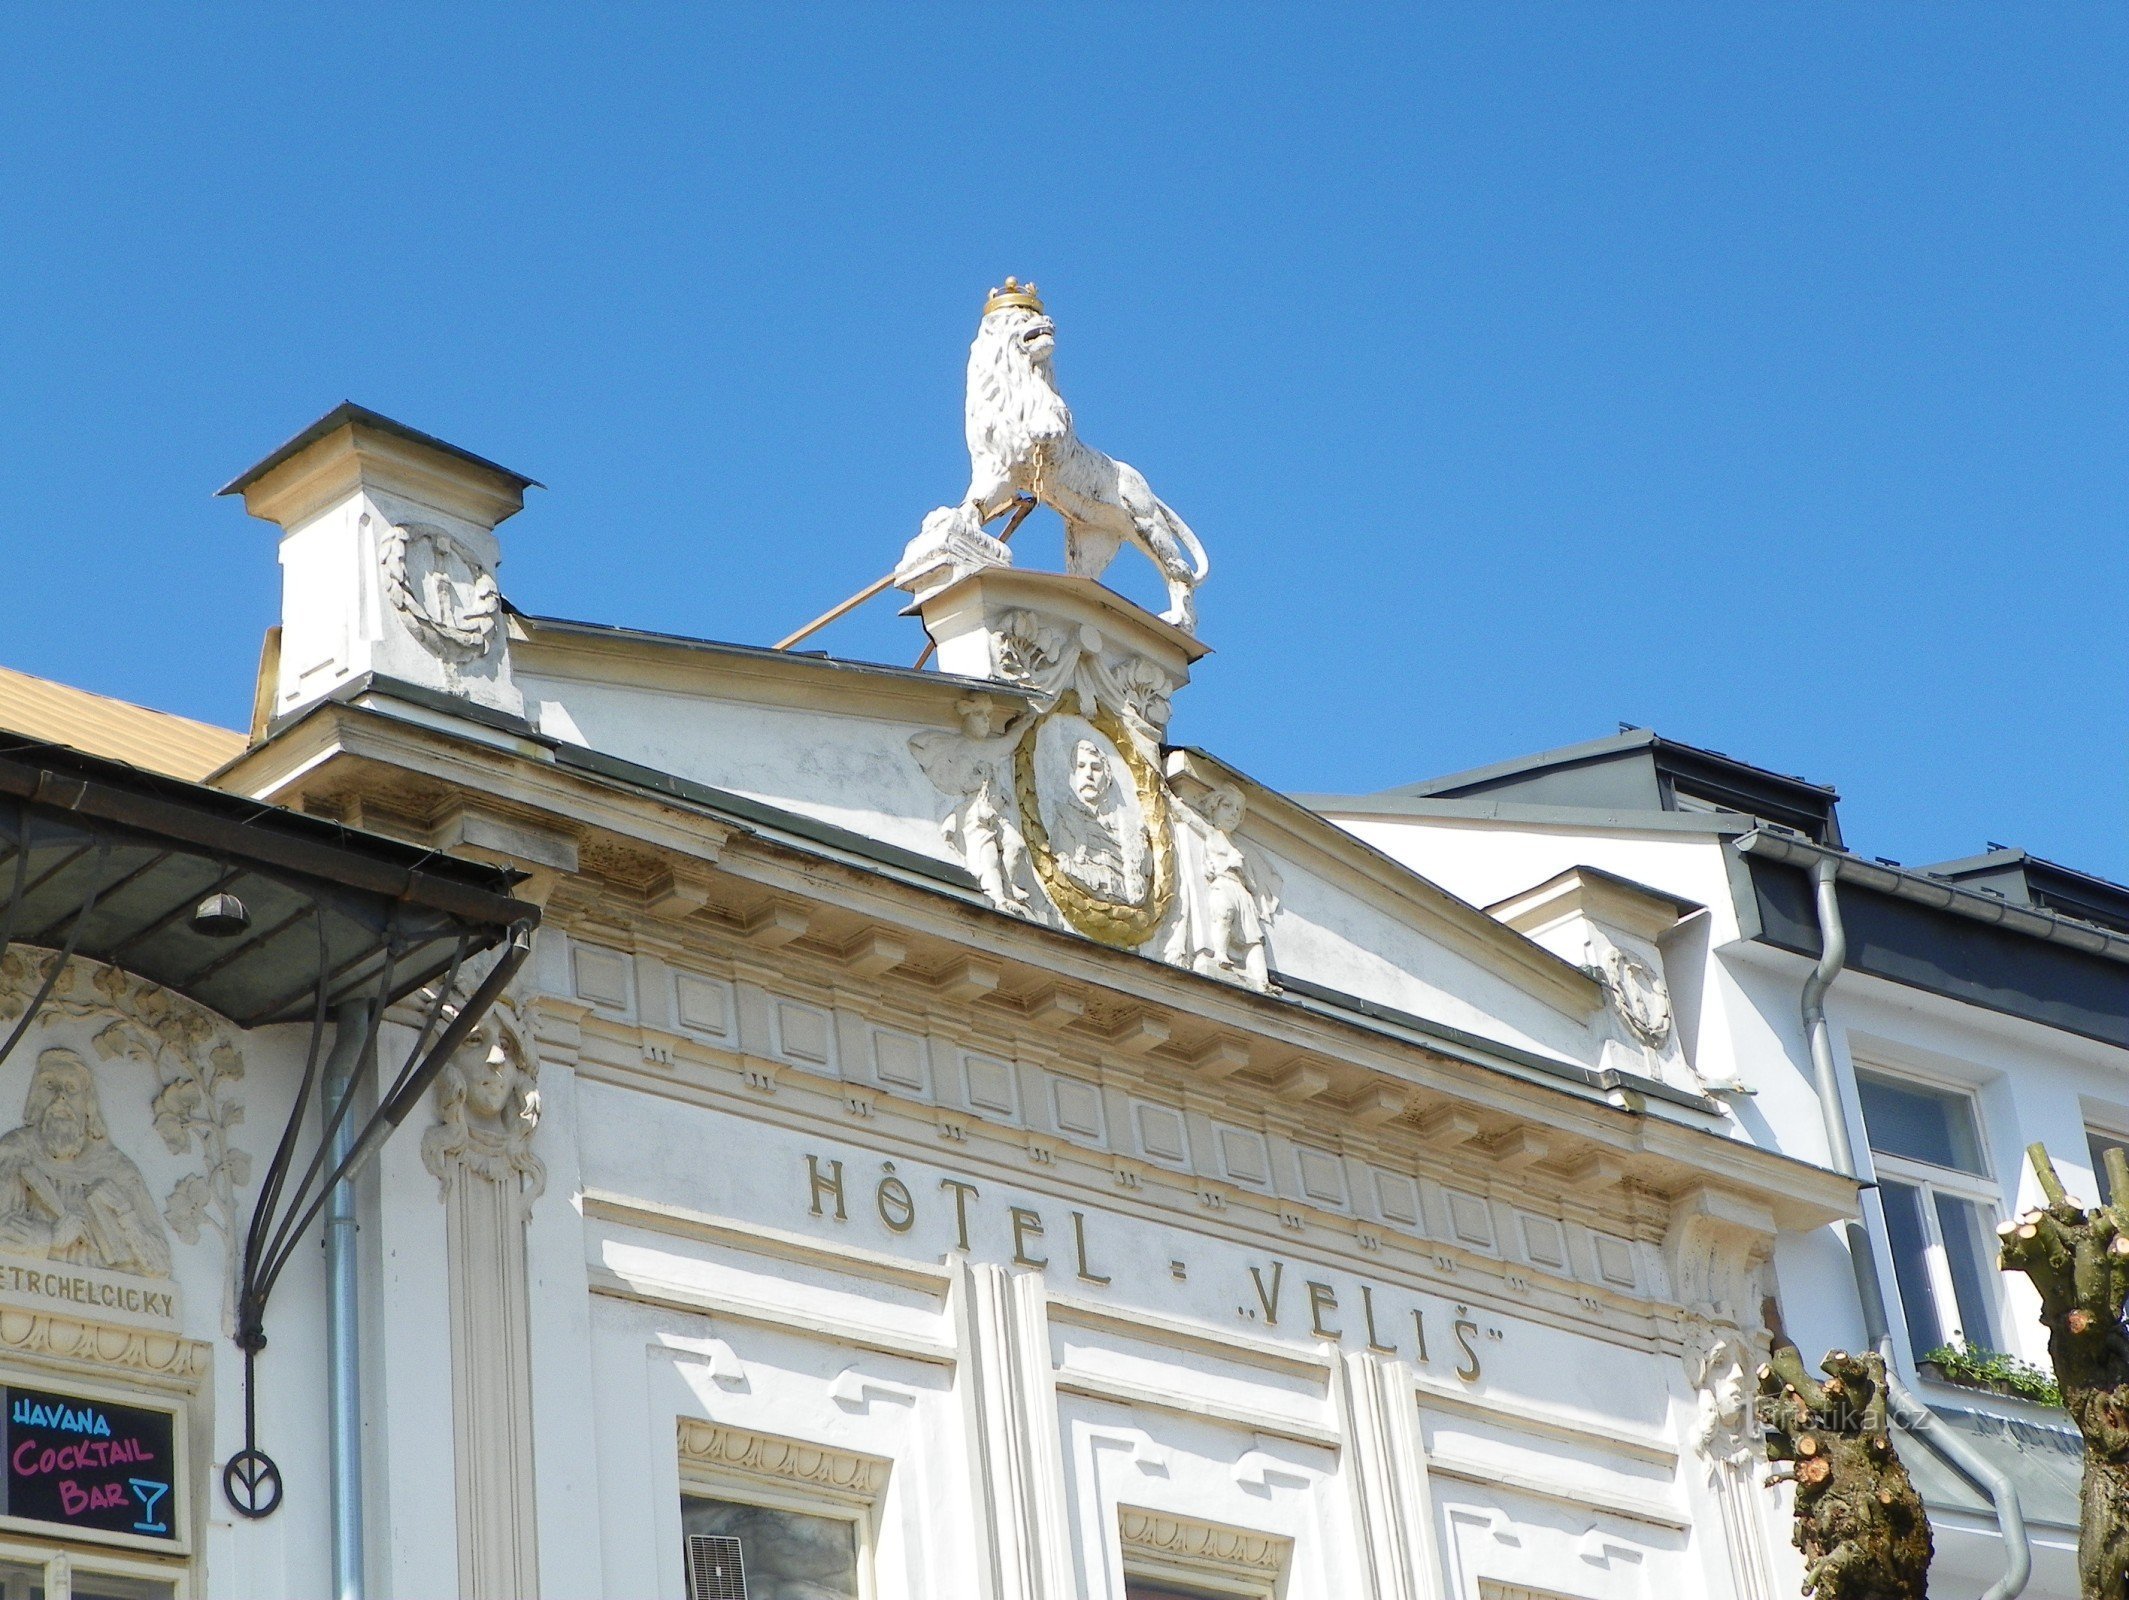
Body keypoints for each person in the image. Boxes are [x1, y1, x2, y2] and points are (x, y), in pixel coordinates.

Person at [0, 1048, 171, 1276]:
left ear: (87, 1105)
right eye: (50, 1084)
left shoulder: (115, 1167)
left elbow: (160, 1265)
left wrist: (126, 1213)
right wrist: (50, 1236)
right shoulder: (17, 1151)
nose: (60, 1097)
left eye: (72, 1089)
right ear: (35, 1096)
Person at [1049, 737, 1146, 902]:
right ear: (1073, 773)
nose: (1088, 775)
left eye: (1096, 768)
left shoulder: (1128, 832)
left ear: (1107, 777)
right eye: (1081, 766)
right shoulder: (1066, 818)